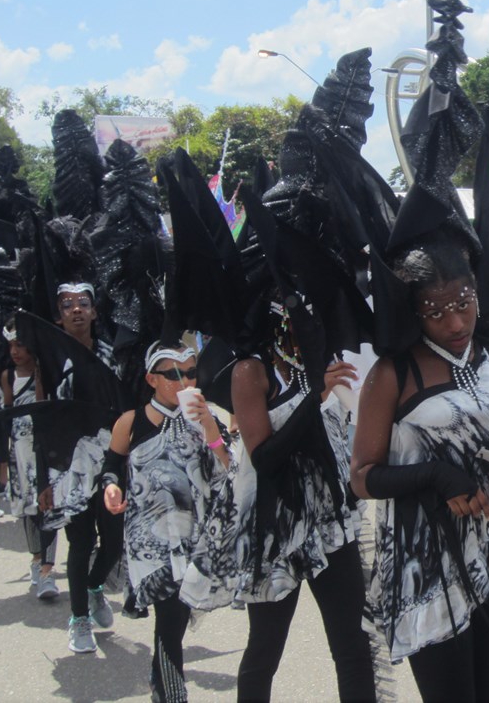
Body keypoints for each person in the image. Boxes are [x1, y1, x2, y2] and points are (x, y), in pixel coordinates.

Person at [351, 231, 489, 701]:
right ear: (414, 312)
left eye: (463, 303)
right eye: (435, 312)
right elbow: (361, 477)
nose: (455, 322)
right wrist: (433, 475)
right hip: (425, 568)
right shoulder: (393, 374)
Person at [222, 303, 376, 702]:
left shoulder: (324, 362)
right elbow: (265, 459)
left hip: (330, 525)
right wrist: (315, 394)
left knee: (354, 646)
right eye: (299, 315)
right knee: (265, 651)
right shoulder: (250, 372)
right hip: (276, 530)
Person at [101, 343, 230, 702]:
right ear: (151, 378)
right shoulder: (131, 421)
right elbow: (111, 464)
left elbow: (227, 467)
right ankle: (173, 694)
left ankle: (160, 681)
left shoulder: (206, 418)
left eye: (190, 372)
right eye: (173, 374)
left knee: (177, 620)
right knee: (170, 621)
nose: (184, 380)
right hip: (151, 545)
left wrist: (207, 425)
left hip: (195, 539)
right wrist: (111, 486)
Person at [37, 282, 124, 653]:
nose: (76, 310)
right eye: (68, 305)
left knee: (114, 543)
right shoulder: (51, 361)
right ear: (59, 315)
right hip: (70, 468)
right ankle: (79, 619)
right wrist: (45, 480)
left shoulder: (111, 355)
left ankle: (93, 587)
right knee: (81, 542)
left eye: (83, 304)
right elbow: (43, 422)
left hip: (110, 462)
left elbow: (124, 411)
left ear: (93, 312)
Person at [0, 317, 59, 597]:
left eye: (21, 345)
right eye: (11, 345)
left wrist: (39, 377)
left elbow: (42, 407)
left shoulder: (43, 373)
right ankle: (36, 559)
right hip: (20, 451)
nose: (15, 351)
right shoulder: (7, 376)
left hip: (43, 448)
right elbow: (7, 413)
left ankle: (48, 570)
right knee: (29, 509)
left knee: (47, 506)